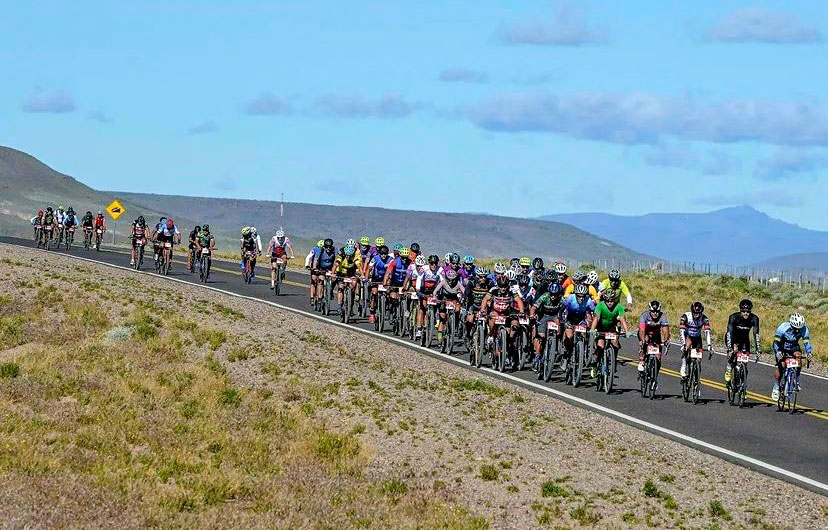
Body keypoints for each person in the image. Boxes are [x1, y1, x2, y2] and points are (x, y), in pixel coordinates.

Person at [480, 274, 525, 367]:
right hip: (495, 311)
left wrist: (521, 311)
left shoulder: (511, 290)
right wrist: (483, 310)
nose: (503, 288)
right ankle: (491, 335)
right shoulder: (493, 290)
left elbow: (519, 301)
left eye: (505, 286)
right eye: (501, 286)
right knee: (493, 318)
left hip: (507, 312)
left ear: (508, 285)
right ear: (498, 285)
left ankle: (511, 348)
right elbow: (485, 299)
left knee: (515, 325)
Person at [771, 313, 812, 401]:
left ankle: (796, 381)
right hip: (781, 346)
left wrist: (809, 353)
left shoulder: (804, 329)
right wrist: (778, 352)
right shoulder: (783, 327)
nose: (797, 330)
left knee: (799, 358)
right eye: (795, 328)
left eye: (799, 328)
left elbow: (806, 343)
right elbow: (776, 342)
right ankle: (776, 385)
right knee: (782, 365)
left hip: (793, 347)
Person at [589, 289, 629, 378]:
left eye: (611, 301)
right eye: (607, 301)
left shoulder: (619, 307)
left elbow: (622, 320)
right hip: (600, 328)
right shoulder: (600, 306)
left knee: (615, 342)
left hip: (611, 328)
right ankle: (595, 365)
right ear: (605, 300)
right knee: (601, 346)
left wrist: (627, 332)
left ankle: (613, 360)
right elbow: (596, 318)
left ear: (614, 300)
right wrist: (592, 329)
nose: (610, 303)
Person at [530, 282, 564, 372]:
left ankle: (556, 349)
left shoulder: (561, 299)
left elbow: (566, 309)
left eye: (555, 295)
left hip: (555, 316)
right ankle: (537, 356)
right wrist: (532, 315)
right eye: (552, 294)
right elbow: (534, 307)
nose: (553, 297)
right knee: (541, 336)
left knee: (560, 329)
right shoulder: (545, 296)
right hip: (544, 316)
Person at [724, 299, 760, 383]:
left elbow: (756, 334)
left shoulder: (754, 319)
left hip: (744, 340)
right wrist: (730, 348)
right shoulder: (733, 317)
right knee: (734, 352)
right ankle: (729, 368)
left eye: (748, 311)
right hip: (733, 338)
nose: (746, 313)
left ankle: (743, 384)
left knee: (745, 360)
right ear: (740, 310)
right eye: (743, 311)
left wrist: (758, 349)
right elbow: (729, 333)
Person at [561, 284, 596, 358]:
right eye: (579, 296)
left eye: (583, 296)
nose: (581, 298)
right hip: (570, 317)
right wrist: (560, 318)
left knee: (583, 333)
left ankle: (582, 348)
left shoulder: (588, 300)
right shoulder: (570, 298)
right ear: (575, 295)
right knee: (569, 336)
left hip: (581, 318)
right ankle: (567, 350)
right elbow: (561, 308)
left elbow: (595, 312)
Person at [679, 301, 712, 379]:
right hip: (688, 336)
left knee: (699, 359)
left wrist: (709, 345)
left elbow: (707, 332)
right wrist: (683, 344)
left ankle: (696, 379)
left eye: (698, 313)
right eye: (694, 313)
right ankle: (683, 366)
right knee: (686, 347)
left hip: (697, 338)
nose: (696, 315)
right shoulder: (686, 316)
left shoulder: (704, 318)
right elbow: (681, 331)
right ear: (692, 311)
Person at [637, 300, 670, 373]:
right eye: (653, 311)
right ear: (649, 310)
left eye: (657, 312)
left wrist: (666, 340)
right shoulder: (644, 316)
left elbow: (665, 331)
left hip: (656, 335)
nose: (655, 313)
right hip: (645, 333)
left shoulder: (663, 316)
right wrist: (642, 340)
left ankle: (655, 378)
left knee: (658, 357)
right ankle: (642, 360)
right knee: (644, 341)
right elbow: (642, 330)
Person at [433, 269, 464, 346]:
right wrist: (435, 297)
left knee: (458, 309)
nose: (451, 282)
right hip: (444, 299)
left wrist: (465, 298)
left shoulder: (458, 283)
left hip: (453, 299)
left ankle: (455, 323)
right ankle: (440, 338)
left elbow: (464, 291)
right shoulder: (443, 282)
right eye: (449, 280)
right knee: (443, 318)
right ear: (446, 278)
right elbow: (435, 291)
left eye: (453, 280)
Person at [366, 244, 393, 323]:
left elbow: (392, 271)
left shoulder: (390, 259)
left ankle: (388, 306)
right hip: (376, 278)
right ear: (379, 253)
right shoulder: (375, 258)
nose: (383, 255)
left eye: (385, 254)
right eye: (382, 254)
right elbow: (369, 269)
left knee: (389, 292)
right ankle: (372, 313)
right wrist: (367, 278)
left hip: (386, 278)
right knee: (374, 293)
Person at [334, 243, 362, 313]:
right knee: (341, 288)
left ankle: (350, 306)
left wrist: (363, 275)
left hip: (350, 273)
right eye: (347, 255)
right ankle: (339, 306)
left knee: (353, 285)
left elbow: (359, 266)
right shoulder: (341, 255)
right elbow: (336, 264)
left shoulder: (355, 257)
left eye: (350, 255)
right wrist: (333, 273)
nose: (348, 257)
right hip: (341, 273)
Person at [312, 238, 338, 303]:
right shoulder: (320, 250)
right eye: (327, 247)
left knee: (334, 278)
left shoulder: (334, 250)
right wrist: (315, 268)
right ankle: (320, 298)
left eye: (330, 247)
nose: (328, 248)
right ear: (324, 246)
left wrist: (334, 271)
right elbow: (316, 259)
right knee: (321, 280)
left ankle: (330, 289)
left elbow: (336, 260)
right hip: (321, 267)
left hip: (331, 268)